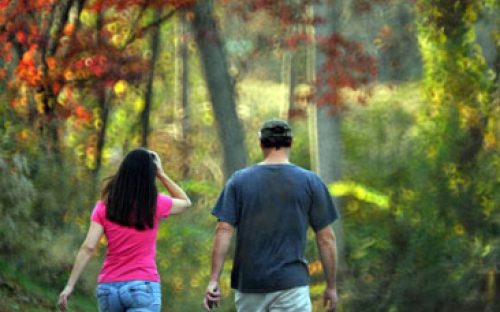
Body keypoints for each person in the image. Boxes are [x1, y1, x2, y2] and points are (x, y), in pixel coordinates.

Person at [203, 119, 339, 312]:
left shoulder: (239, 181)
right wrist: (331, 286)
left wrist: (213, 280)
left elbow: (223, 229)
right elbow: (326, 238)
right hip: (292, 284)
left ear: (261, 143)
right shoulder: (310, 182)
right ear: (290, 143)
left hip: (250, 285)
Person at [58, 148, 191, 311]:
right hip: (142, 285)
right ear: (150, 175)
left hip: (108, 289)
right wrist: (162, 175)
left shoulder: (104, 207)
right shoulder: (154, 204)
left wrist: (70, 285)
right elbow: (185, 202)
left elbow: (89, 247)